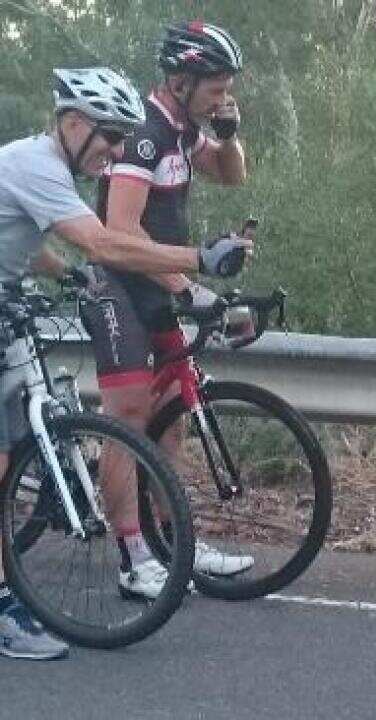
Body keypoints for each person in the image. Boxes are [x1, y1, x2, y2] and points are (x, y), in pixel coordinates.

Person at [0, 67, 251, 659]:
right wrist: (197, 259)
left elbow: (22, 240)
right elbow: (108, 241)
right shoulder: (38, 163)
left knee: (8, 455)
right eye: (109, 137)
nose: (115, 152)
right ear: (71, 123)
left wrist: (68, 273)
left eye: (121, 139)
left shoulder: (48, 167)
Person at [85, 21, 253, 600]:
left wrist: (227, 133)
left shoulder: (183, 129)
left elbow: (232, 177)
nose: (223, 95)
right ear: (180, 80)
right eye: (215, 86)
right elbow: (120, 234)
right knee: (129, 421)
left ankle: (170, 542)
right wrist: (188, 286)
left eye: (228, 85)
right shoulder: (145, 133)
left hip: (158, 286)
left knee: (172, 422)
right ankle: (134, 558)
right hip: (118, 287)